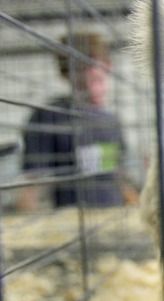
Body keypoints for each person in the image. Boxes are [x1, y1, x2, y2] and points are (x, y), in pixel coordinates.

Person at [19, 32, 137, 210]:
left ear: (108, 69)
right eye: (85, 81)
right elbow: (31, 183)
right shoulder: (49, 115)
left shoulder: (111, 120)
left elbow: (118, 176)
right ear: (67, 76)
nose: (94, 89)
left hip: (114, 219)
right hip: (72, 219)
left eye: (99, 79)